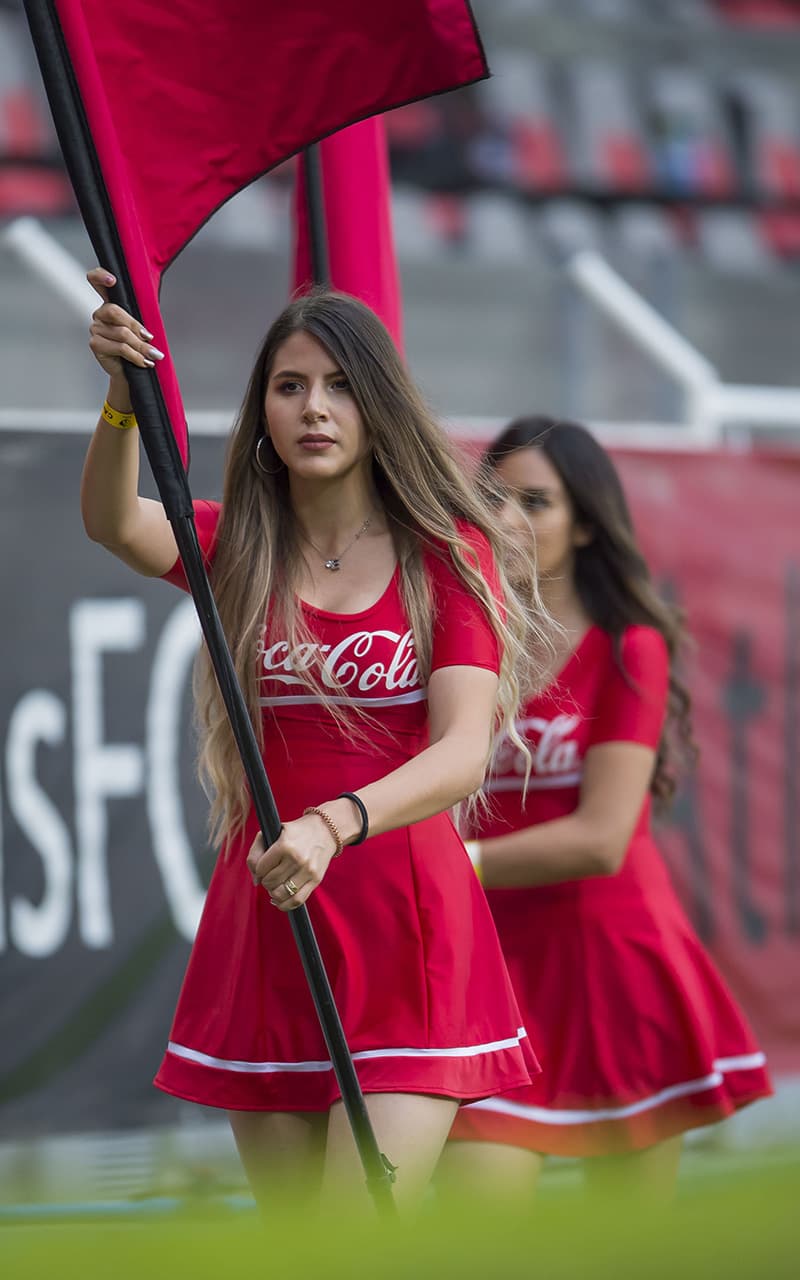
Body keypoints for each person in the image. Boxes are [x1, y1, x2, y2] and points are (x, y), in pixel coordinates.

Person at [80, 271, 548, 1212]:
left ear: (378, 406)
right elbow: (115, 525)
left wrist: (335, 823)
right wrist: (124, 401)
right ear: (263, 412)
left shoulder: (447, 550)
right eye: (289, 387)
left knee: (356, 1239)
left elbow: (464, 751)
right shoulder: (240, 547)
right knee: (295, 1249)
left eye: (339, 385)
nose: (314, 409)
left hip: (407, 930)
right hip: (273, 920)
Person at [441, 416, 772, 1201]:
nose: (510, 521)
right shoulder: (459, 638)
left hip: (609, 964)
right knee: (475, 1226)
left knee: (626, 1245)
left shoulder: (630, 647)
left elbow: (601, 840)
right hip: (489, 964)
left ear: (586, 523)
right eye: (493, 499)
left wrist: (448, 865)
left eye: (537, 502)